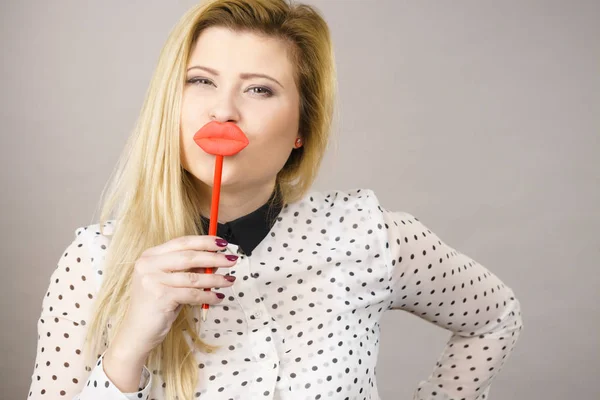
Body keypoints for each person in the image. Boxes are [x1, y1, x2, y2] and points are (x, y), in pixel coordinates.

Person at [27, 0, 523, 399]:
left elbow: (495, 318)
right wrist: (128, 346)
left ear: (302, 128)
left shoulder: (368, 236)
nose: (223, 109)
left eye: (260, 90)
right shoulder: (93, 264)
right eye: (200, 81)